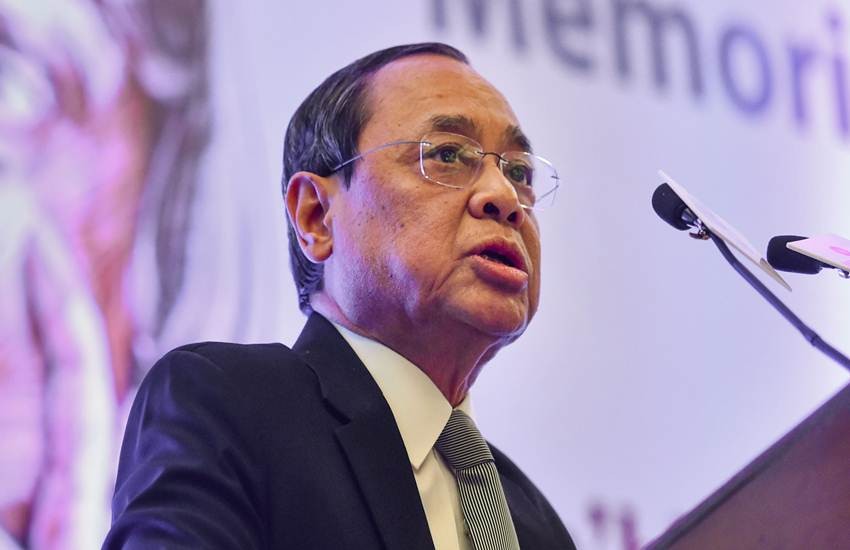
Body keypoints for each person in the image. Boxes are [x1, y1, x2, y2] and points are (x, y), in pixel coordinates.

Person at [104, 42, 575, 549]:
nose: (505, 198)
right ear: (315, 216)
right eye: (447, 155)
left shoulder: (537, 527)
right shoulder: (227, 407)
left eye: (518, 172)